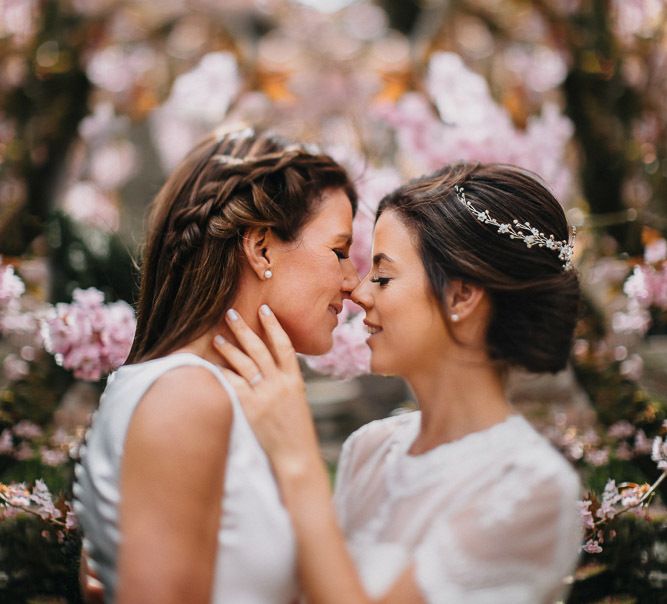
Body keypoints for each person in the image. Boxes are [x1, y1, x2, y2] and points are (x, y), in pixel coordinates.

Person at [214, 162, 583, 603]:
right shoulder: (369, 450)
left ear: (461, 296)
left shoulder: (531, 488)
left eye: (383, 277)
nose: (359, 293)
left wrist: (297, 460)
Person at [73, 127, 360, 603]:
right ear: (261, 247)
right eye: (340, 251)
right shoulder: (187, 398)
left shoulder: (201, 393)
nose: (352, 282)